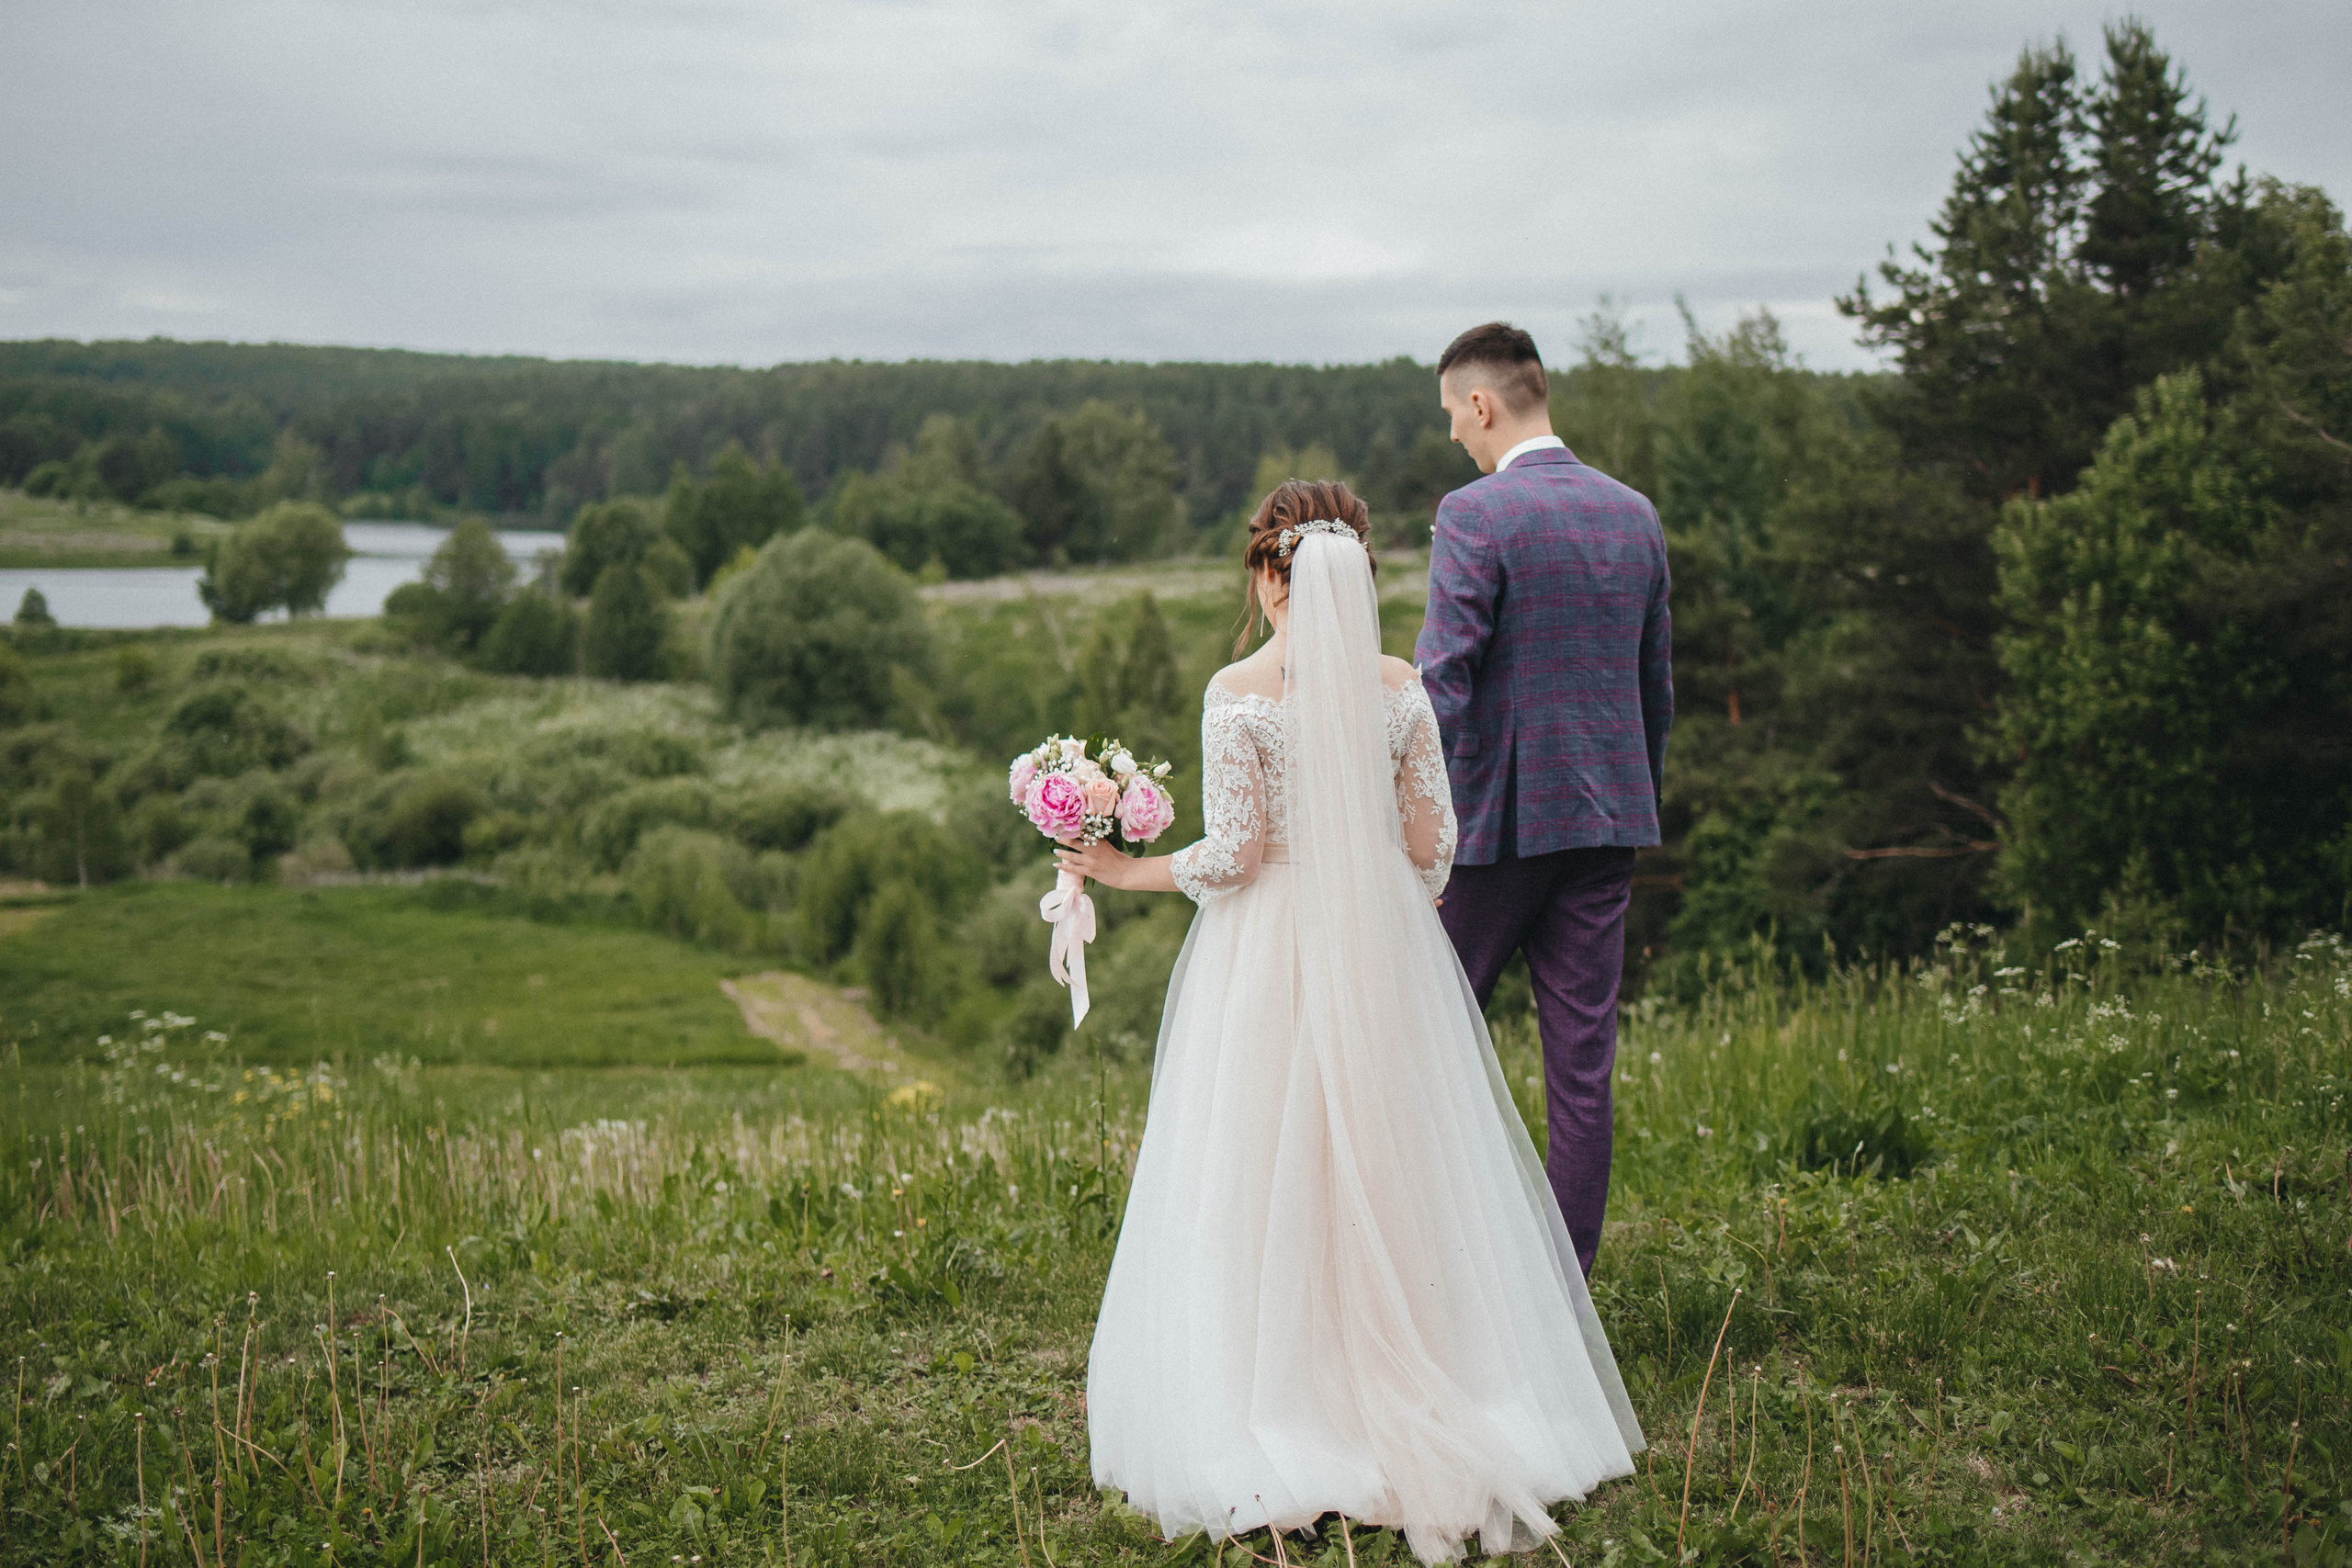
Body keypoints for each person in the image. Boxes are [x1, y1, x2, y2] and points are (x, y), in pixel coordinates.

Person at [1059, 480, 1643, 1564]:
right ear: (1359, 576)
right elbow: (1434, 843)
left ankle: (1281, 1392)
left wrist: (1121, 869)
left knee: (1259, 1155)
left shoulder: (1237, 692)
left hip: (1268, 948)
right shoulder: (1399, 687)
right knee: (1395, 1155)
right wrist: (1389, 900)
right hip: (1381, 937)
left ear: (1264, 575)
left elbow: (1235, 855)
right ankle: (1435, 1378)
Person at [1415, 321, 1673, 1280]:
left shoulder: (1476, 514)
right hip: (1605, 825)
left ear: (1482, 404)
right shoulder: (1634, 514)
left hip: (1490, 833)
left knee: (1422, 1038)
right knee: (1581, 1072)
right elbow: (1655, 688)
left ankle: (1434, 1267)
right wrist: (1628, 797)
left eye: (1452, 413)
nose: (1453, 433)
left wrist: (1413, 824)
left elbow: (1442, 685)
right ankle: (1565, 1296)